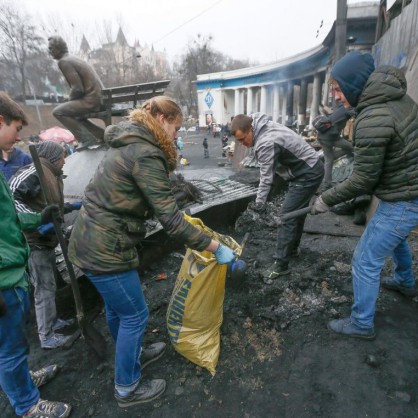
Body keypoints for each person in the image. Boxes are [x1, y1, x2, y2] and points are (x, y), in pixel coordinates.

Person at [67, 96, 236, 408]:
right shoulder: (145, 152)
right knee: (135, 314)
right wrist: (216, 247)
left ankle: (132, 356)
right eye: (175, 127)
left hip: (95, 241)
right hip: (106, 248)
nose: (177, 135)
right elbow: (171, 222)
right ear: (160, 119)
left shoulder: (128, 141)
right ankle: (127, 388)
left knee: (119, 310)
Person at [310, 51, 418, 340]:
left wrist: (325, 200)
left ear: (355, 84)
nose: (335, 97)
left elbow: (362, 179)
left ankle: (361, 323)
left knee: (365, 259)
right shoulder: (394, 97)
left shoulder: (373, 116)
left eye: (337, 88)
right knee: (394, 238)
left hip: (405, 198)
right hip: (408, 188)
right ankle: (406, 281)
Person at [0, 92, 71, 418]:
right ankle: (27, 405)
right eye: (16, 126)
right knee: (9, 349)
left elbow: (9, 218)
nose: (18, 135)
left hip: (12, 268)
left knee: (15, 342)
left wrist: (39, 218)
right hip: (3, 276)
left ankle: (23, 380)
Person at [231, 113, 324, 281]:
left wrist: (259, 205)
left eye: (243, 139)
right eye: (238, 141)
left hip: (307, 173)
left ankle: (281, 265)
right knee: (298, 212)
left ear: (251, 129)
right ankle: (292, 251)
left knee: (286, 216)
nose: (242, 144)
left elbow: (266, 179)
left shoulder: (266, 142)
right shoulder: (261, 127)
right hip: (307, 168)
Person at [9, 140, 81, 349]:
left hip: (46, 239)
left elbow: (50, 205)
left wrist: (68, 207)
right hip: (34, 241)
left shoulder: (52, 173)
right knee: (43, 288)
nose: (64, 161)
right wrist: (37, 220)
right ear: (51, 157)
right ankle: (46, 335)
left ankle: (52, 321)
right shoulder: (34, 171)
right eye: (61, 157)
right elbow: (12, 195)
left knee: (49, 285)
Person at [48, 36, 105, 148]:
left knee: (58, 112)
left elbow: (78, 89)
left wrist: (69, 100)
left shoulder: (64, 62)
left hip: (92, 100)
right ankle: (101, 135)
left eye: (51, 48)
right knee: (75, 116)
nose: (49, 52)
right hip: (99, 97)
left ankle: (87, 140)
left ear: (58, 48)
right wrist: (69, 100)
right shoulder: (73, 58)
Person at [313, 104, 354, 192]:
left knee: (329, 159)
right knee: (354, 148)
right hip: (332, 137)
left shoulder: (340, 108)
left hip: (321, 137)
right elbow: (358, 115)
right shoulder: (349, 110)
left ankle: (326, 184)